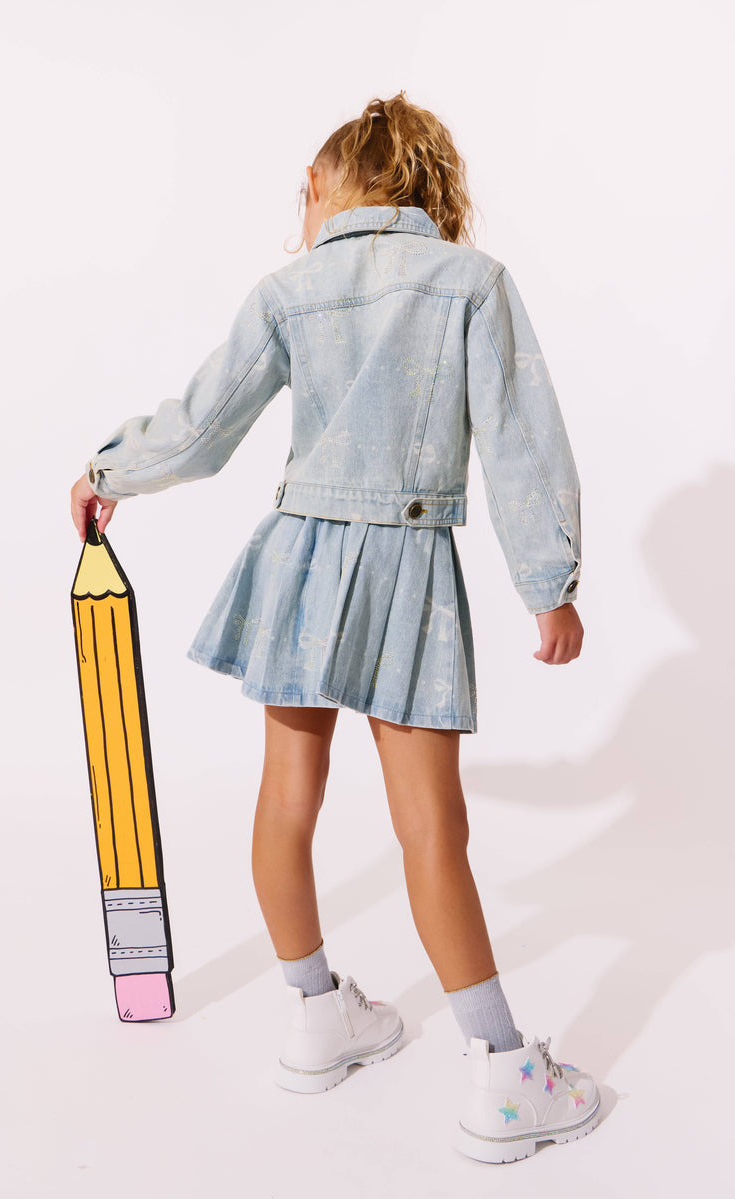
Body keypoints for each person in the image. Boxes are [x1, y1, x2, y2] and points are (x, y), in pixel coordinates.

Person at [70, 92, 600, 1164]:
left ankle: (315, 1013)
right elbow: (518, 436)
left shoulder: (289, 290)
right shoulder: (470, 282)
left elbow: (203, 425)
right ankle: (502, 1074)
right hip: (408, 570)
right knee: (430, 827)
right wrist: (548, 582)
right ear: (428, 189)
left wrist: (107, 472)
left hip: (300, 563)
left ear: (321, 189)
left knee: (286, 799)